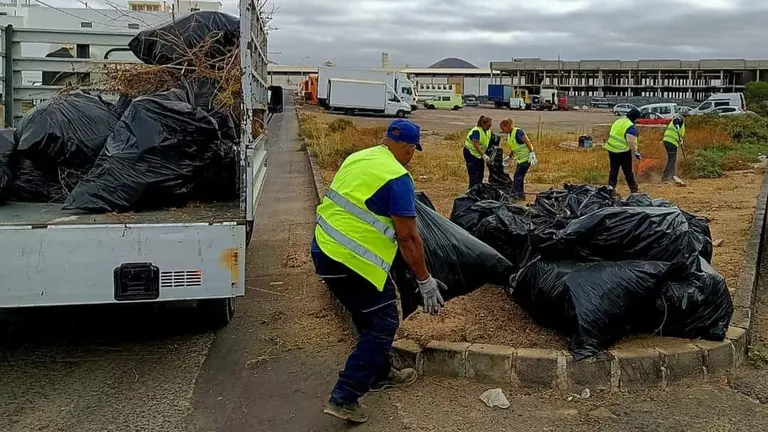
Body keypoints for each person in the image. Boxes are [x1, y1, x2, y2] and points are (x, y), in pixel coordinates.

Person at [311, 119, 447, 424]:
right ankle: (345, 397)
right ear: (409, 148)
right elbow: (408, 237)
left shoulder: (358, 157)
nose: (411, 156)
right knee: (384, 322)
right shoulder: (397, 177)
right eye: (412, 150)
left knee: (368, 316)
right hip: (352, 261)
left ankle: (380, 373)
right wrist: (425, 280)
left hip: (324, 248)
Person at [604, 108, 642, 193]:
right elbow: (630, 141)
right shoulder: (630, 126)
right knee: (628, 172)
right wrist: (635, 152)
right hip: (623, 151)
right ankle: (634, 190)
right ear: (635, 118)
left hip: (611, 149)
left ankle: (611, 189)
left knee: (613, 170)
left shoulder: (619, 121)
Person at [500, 118, 537, 201]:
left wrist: (532, 153)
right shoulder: (510, 135)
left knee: (517, 177)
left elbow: (527, 142)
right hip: (520, 159)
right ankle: (520, 195)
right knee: (520, 177)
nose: (502, 131)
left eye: (503, 128)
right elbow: (514, 147)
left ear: (507, 126)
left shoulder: (517, 132)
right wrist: (509, 157)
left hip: (526, 158)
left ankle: (514, 195)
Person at [463, 115, 493, 189]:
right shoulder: (476, 131)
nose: (490, 126)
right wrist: (484, 155)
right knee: (474, 173)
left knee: (480, 172)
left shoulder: (488, 131)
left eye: (490, 125)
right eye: (488, 125)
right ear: (483, 124)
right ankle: (472, 190)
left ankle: (478, 189)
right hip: (471, 153)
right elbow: (476, 145)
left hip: (479, 154)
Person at [662, 115, 686, 181]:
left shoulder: (682, 125)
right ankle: (667, 176)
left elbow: (679, 134)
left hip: (668, 141)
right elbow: (676, 120)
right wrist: (677, 125)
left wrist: (680, 139)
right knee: (672, 159)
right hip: (671, 142)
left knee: (671, 159)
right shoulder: (679, 119)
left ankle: (669, 175)